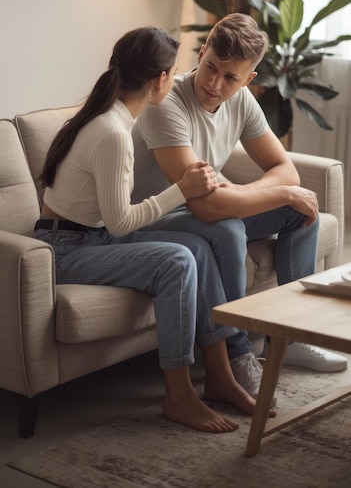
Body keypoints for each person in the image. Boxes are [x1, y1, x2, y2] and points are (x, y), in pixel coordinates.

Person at [34, 26, 275, 435]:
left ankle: (219, 376)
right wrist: (181, 191)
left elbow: (111, 224)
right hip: (65, 247)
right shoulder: (112, 133)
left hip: (92, 236)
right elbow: (120, 222)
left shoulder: (110, 117)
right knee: (178, 260)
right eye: (176, 71)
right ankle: (178, 395)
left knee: (198, 246)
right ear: (161, 78)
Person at [131, 14, 347, 402]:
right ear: (202, 53)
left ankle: (290, 337)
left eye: (230, 78)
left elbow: (285, 170)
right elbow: (210, 207)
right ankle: (237, 353)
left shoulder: (241, 100)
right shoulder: (166, 105)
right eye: (210, 67)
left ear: (248, 80)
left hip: (195, 212)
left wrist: (255, 193)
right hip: (148, 218)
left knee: (304, 209)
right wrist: (275, 194)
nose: (214, 84)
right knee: (231, 226)